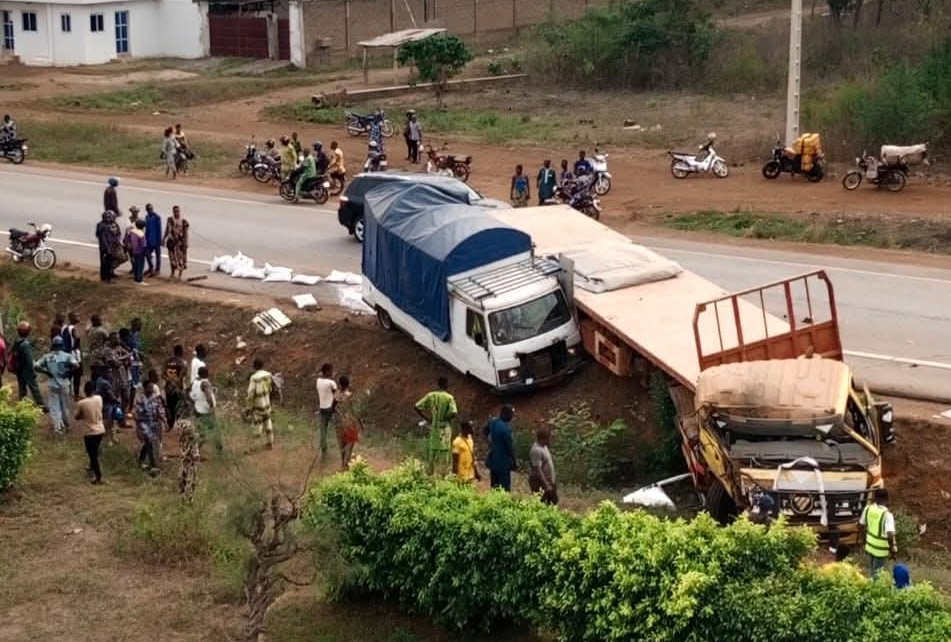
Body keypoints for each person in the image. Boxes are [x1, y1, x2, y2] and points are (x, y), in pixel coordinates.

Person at [34, 335, 79, 434]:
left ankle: (58, 428)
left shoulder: (47, 356)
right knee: (65, 406)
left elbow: (36, 366)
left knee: (55, 407)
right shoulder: (67, 356)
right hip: (64, 384)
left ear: (53, 345)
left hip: (52, 384)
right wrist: (68, 373)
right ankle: (67, 425)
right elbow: (76, 365)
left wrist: (46, 372)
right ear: (62, 345)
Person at [415, 377, 458, 476]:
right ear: (445, 385)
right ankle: (443, 475)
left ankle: (429, 474)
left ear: (438, 385)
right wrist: (446, 417)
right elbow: (454, 412)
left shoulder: (431, 395)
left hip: (434, 427)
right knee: (445, 452)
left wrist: (427, 419)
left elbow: (417, 407)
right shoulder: (449, 397)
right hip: (445, 429)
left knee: (432, 451)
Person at [860, 488, 897, 578]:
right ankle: (873, 589)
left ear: (875, 498)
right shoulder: (887, 515)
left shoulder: (868, 509)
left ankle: (870, 584)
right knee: (877, 574)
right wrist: (892, 548)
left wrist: (865, 538)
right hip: (880, 549)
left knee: (872, 570)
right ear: (887, 499)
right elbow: (890, 534)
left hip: (869, 545)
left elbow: (861, 525)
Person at [75, 381, 105, 484]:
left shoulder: (81, 403)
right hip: (100, 430)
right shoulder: (99, 398)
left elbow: (77, 416)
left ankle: (98, 477)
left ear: (85, 391)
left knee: (93, 455)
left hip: (90, 432)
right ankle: (91, 469)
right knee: (95, 452)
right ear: (94, 390)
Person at [11, 322, 46, 409]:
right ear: (28, 332)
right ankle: (41, 406)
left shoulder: (17, 341)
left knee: (22, 389)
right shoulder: (25, 344)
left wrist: (34, 343)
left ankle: (22, 406)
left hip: (19, 368)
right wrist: (33, 371)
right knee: (34, 388)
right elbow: (29, 360)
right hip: (27, 370)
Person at [135, 379, 166, 475]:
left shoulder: (155, 398)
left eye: (152, 387)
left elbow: (160, 411)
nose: (151, 389)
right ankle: (153, 465)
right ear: (145, 388)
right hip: (144, 425)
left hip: (154, 424)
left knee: (148, 444)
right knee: (149, 443)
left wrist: (164, 421)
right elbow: (137, 415)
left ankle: (141, 460)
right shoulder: (140, 399)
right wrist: (138, 428)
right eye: (149, 387)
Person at [189, 365, 220, 453]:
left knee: (201, 432)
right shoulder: (205, 383)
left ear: (198, 374)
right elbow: (209, 397)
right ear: (207, 374)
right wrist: (211, 406)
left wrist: (193, 403)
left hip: (197, 409)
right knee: (215, 429)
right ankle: (219, 448)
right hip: (206, 411)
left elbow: (187, 392)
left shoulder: (194, 382)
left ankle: (194, 450)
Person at [485, 405, 516, 491]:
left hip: (493, 461)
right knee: (504, 489)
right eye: (511, 414)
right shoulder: (505, 430)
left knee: (494, 487)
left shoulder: (492, 422)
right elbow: (510, 448)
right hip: (503, 464)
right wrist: (514, 462)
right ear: (505, 414)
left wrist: (489, 443)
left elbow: (485, 431)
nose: (512, 417)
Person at [334, 376, 361, 470]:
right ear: (348, 384)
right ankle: (346, 464)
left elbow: (333, 408)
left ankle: (343, 463)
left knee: (341, 444)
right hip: (349, 423)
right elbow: (353, 411)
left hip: (338, 423)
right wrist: (359, 422)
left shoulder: (336, 395)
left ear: (340, 384)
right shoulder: (349, 395)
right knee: (350, 443)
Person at [246, 359, 274, 449]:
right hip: (267, 402)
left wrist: (248, 406)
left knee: (257, 425)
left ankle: (254, 447)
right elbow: (271, 389)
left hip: (258, 404)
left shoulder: (254, 378)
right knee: (268, 422)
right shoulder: (268, 375)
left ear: (254, 366)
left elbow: (250, 393)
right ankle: (270, 443)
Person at [528, 426, 558, 505]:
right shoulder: (536, 450)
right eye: (548, 438)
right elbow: (538, 470)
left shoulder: (544, 447)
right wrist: (546, 485)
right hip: (540, 483)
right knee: (542, 503)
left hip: (549, 481)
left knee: (553, 502)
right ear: (544, 438)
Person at [92, 366, 119, 445]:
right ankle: (108, 440)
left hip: (101, 403)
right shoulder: (104, 382)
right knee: (108, 422)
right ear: (104, 373)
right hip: (106, 404)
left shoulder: (100, 380)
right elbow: (110, 395)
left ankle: (112, 437)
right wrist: (117, 402)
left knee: (109, 422)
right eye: (109, 372)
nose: (110, 373)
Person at [315, 363, 337, 455]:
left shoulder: (318, 381)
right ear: (327, 371)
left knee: (323, 429)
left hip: (322, 408)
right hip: (331, 409)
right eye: (331, 370)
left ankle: (324, 448)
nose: (332, 372)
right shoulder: (331, 383)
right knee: (339, 428)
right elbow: (337, 395)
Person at [163, 345, 188, 425]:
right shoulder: (183, 362)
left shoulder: (167, 361)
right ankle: (178, 425)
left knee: (170, 406)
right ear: (180, 352)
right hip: (178, 388)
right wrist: (176, 381)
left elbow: (162, 374)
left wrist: (169, 380)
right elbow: (183, 375)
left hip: (168, 388)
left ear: (174, 352)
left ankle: (170, 423)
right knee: (179, 406)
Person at [162, 205, 189, 280]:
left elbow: (186, 232)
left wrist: (186, 242)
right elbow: (167, 230)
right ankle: (172, 273)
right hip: (171, 242)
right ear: (173, 211)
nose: (176, 212)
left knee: (180, 258)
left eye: (178, 211)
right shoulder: (170, 219)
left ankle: (180, 275)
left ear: (179, 211)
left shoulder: (183, 221)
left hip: (180, 242)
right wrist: (164, 239)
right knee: (172, 258)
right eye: (175, 211)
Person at [95, 210, 122, 282]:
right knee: (106, 263)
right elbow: (102, 238)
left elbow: (118, 234)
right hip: (106, 248)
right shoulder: (102, 226)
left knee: (110, 262)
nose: (111, 219)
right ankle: (107, 278)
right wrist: (108, 249)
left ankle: (108, 275)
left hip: (112, 247)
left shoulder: (113, 224)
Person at [61, 312, 83, 399]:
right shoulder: (72, 328)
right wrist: (76, 347)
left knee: (68, 375)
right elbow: (77, 337)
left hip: (66, 355)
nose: (78, 317)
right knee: (77, 376)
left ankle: (68, 394)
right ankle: (76, 395)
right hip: (74, 355)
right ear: (71, 318)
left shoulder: (63, 328)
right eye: (76, 316)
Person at [178, 417, 200, 500]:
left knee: (190, 479)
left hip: (192, 459)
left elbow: (192, 447)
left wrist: (185, 453)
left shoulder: (194, 436)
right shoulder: (182, 436)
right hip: (185, 459)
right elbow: (181, 445)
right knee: (181, 477)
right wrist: (182, 453)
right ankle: (182, 495)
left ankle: (190, 498)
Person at [144, 204, 163, 277]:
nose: (150, 210)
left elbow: (159, 229)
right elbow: (147, 230)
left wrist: (160, 239)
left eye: (151, 209)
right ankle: (151, 267)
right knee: (147, 254)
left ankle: (157, 269)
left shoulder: (157, 217)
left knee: (158, 256)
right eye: (148, 209)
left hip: (156, 239)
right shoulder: (147, 217)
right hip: (149, 240)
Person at [128, 219, 148, 284]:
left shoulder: (132, 232)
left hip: (133, 251)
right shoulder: (141, 234)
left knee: (135, 265)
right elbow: (144, 245)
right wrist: (146, 253)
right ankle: (139, 280)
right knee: (140, 266)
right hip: (140, 252)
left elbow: (128, 241)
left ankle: (135, 279)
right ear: (142, 227)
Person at [122, 206, 140, 272]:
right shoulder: (128, 219)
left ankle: (135, 268)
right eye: (134, 212)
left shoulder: (138, 221)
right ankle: (134, 268)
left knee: (133, 255)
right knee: (128, 255)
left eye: (136, 212)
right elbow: (127, 230)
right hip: (128, 239)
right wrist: (125, 239)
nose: (135, 213)